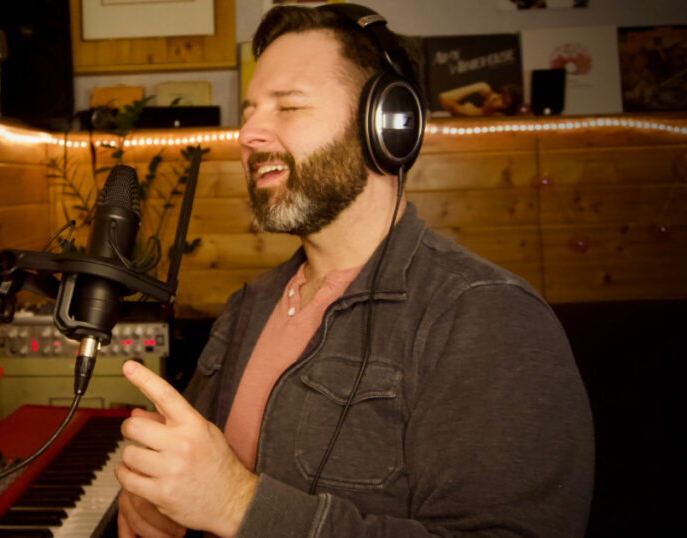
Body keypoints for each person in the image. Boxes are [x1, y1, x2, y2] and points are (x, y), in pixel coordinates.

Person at [114, 4, 594, 537]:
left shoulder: (487, 318)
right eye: (249, 110)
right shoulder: (249, 305)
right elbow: (195, 476)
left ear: (387, 125)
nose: (248, 133)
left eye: (288, 107)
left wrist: (236, 504)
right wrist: (158, 499)